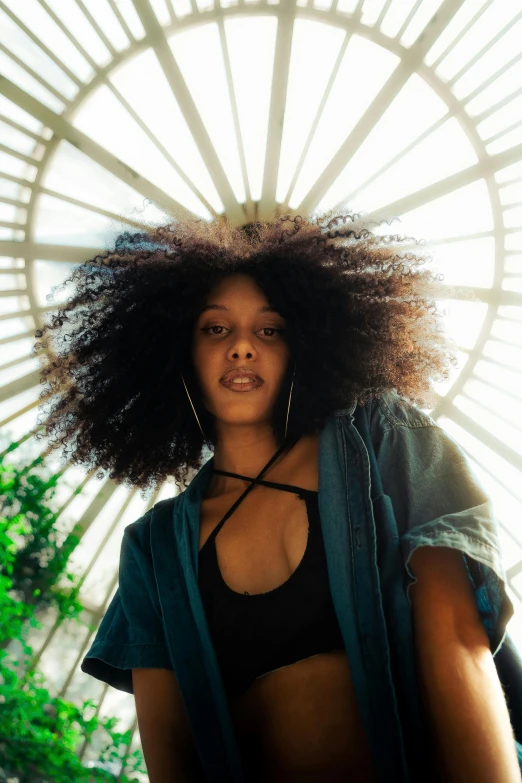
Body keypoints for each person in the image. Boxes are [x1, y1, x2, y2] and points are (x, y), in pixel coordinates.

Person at [33, 212, 520, 781]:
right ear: (179, 354)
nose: (242, 347)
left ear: (302, 347)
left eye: (269, 330)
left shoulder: (378, 435)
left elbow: (459, 638)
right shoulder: (154, 548)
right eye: (215, 329)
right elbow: (172, 754)